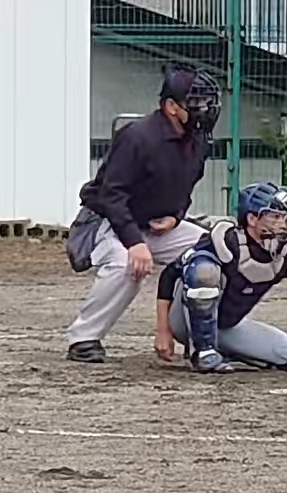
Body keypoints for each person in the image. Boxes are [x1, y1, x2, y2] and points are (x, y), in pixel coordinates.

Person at [64, 63, 222, 364]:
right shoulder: (137, 136)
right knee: (127, 264)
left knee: (214, 251)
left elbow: (184, 190)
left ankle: (198, 335)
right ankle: (83, 338)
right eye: (196, 102)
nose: (205, 109)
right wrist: (134, 242)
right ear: (171, 106)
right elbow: (111, 195)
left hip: (157, 225)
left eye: (207, 101)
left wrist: (176, 217)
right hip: (108, 222)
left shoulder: (198, 140)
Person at [154, 181, 287, 373]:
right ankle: (203, 353)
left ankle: (226, 352)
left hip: (225, 325)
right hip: (185, 320)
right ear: (252, 219)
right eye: (274, 217)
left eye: (283, 217)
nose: (282, 223)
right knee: (203, 270)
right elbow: (170, 274)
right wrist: (163, 330)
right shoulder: (227, 240)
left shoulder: (283, 250)